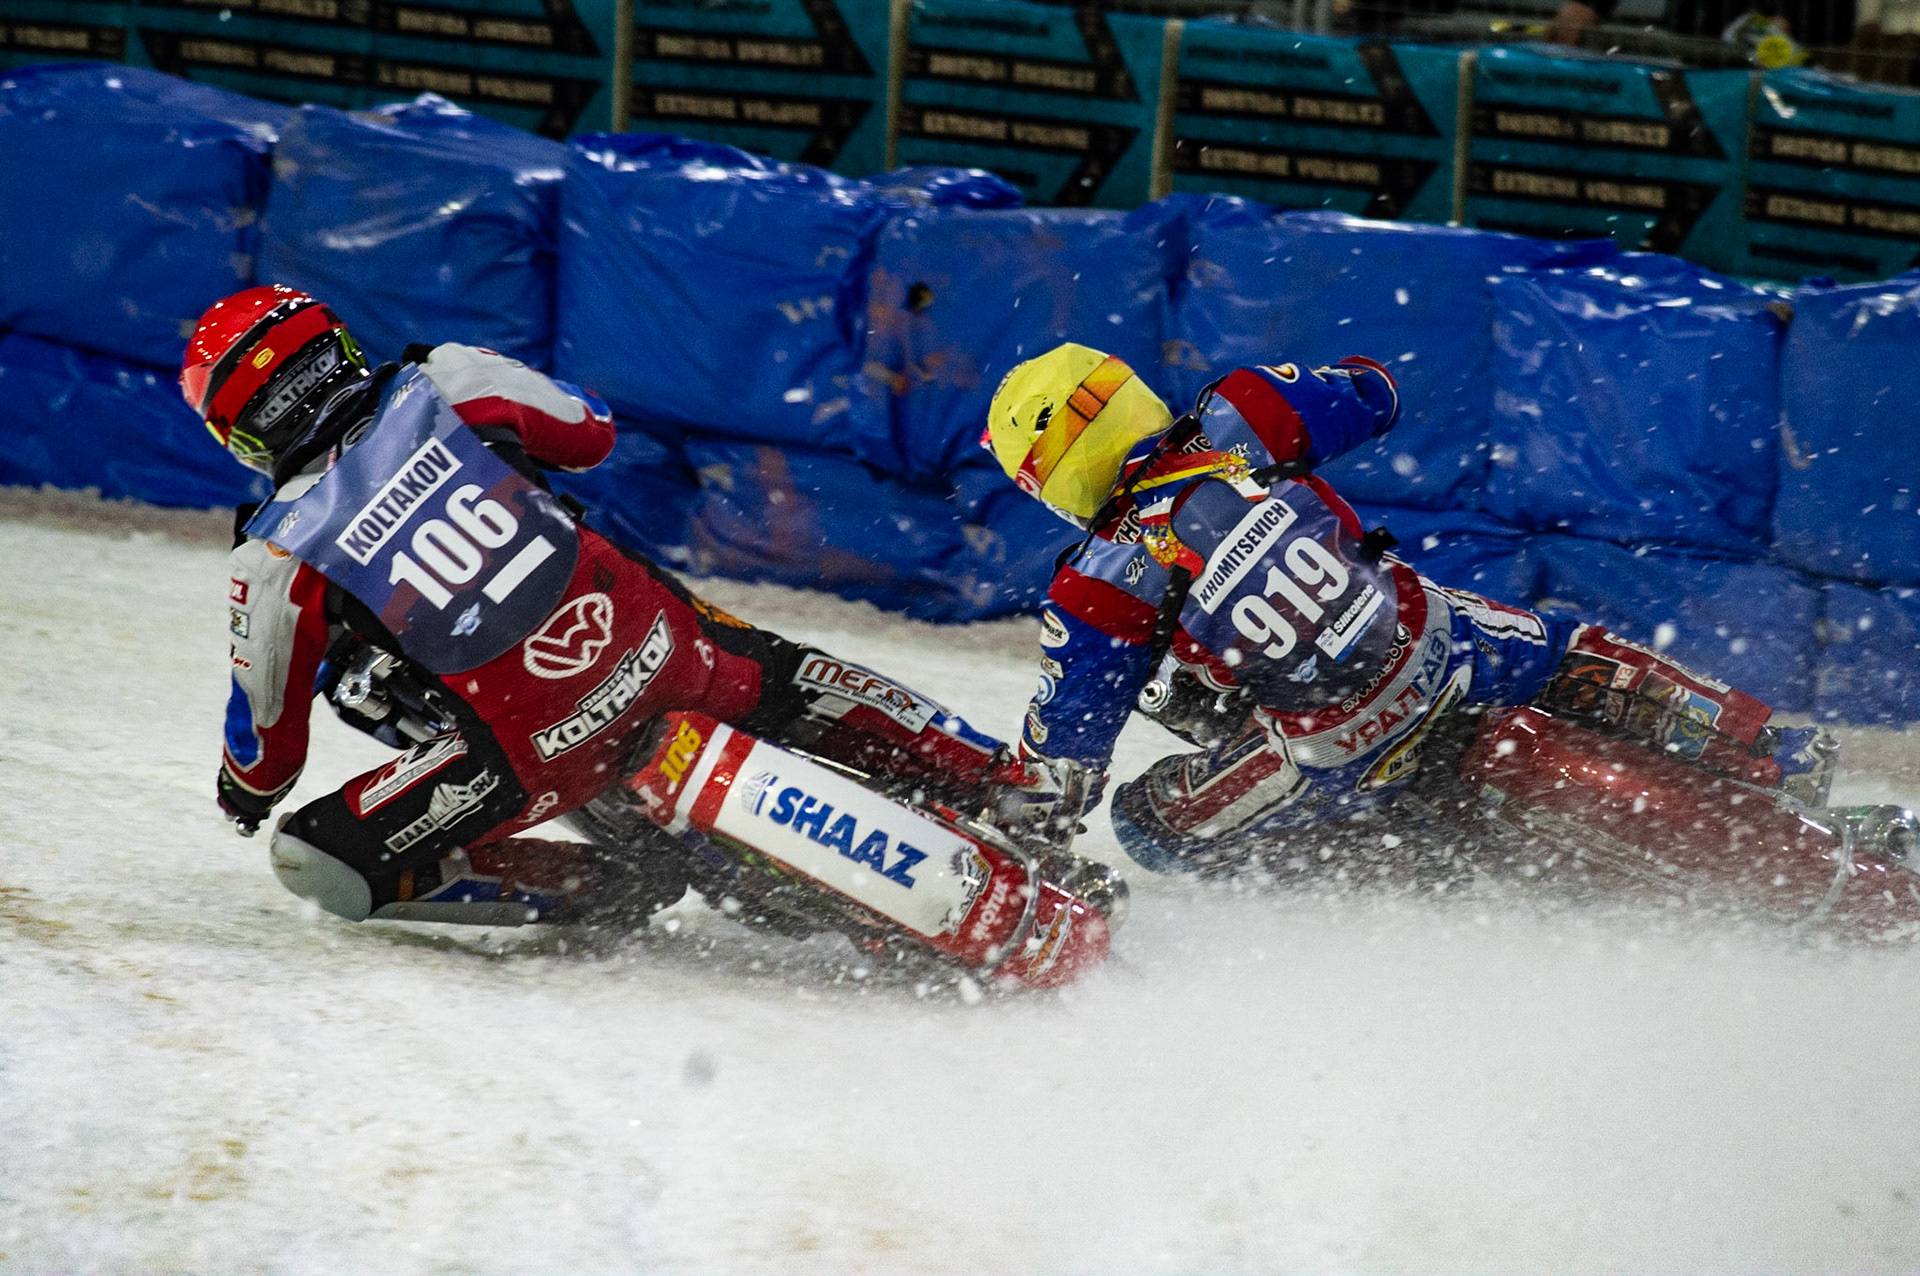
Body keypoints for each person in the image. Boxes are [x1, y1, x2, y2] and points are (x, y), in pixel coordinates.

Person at [187, 285, 1063, 927]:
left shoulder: (274, 551)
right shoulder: (446, 377)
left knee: (317, 856)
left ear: (240, 432)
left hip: (528, 758)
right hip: (665, 649)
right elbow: (591, 430)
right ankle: (1000, 779)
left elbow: (265, 748)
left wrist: (241, 796)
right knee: (775, 670)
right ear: (337, 346)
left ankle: (596, 894)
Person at [981, 344, 1830, 873]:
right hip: (1434, 640)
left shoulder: (1095, 580)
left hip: (1325, 744)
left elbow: (1063, 761)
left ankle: (1395, 880)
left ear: (1049, 477)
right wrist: (1308, 394)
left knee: (1150, 824)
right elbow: (1374, 392)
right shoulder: (1239, 413)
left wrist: (1014, 818)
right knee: (1571, 648)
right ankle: (1772, 750)